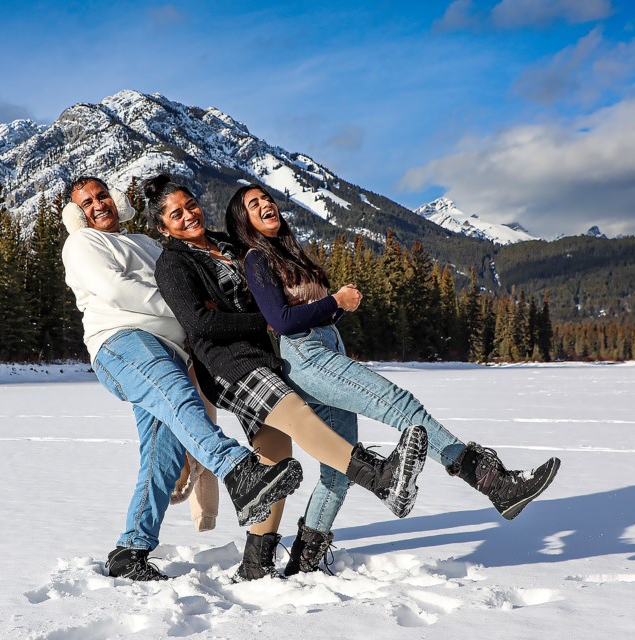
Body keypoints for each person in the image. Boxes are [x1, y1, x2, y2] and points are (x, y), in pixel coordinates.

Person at [224, 182, 563, 575]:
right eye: (254, 204)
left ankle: (304, 560)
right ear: (244, 221)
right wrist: (335, 302)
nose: (266, 204)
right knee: (400, 405)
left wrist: (336, 308)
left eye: (267, 198)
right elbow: (281, 322)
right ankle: (491, 481)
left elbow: (307, 312)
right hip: (307, 356)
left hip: (324, 350)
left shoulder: (285, 252)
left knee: (339, 469)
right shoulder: (256, 259)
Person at [146, 174, 429, 582]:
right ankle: (377, 476)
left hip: (263, 356)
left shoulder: (227, 243)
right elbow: (200, 323)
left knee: (276, 457)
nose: (189, 215)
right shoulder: (174, 263)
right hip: (228, 363)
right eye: (176, 214)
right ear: (162, 227)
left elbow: (261, 285)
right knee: (294, 411)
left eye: (190, 205)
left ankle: (255, 563)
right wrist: (261, 320)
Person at [60, 175, 305, 581]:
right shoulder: (84, 243)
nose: (98, 205)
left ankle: (130, 550)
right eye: (86, 203)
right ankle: (239, 472)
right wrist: (188, 310)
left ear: (116, 198)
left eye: (102, 195)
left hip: (169, 349)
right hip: (122, 342)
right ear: (77, 215)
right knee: (178, 398)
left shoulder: (146, 243)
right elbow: (116, 290)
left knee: (163, 453)